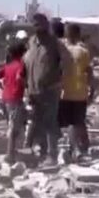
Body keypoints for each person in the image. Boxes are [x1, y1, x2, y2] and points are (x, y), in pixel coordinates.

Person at [23, 13, 66, 166]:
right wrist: (27, 87)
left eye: (40, 24)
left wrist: (59, 83)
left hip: (50, 90)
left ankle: (52, 155)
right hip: (33, 91)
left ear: (46, 24)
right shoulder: (31, 42)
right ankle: (41, 153)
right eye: (34, 24)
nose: (37, 27)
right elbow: (27, 65)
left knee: (50, 123)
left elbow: (67, 64)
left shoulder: (55, 44)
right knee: (37, 123)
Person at [59, 24, 94, 159]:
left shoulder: (62, 51)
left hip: (66, 92)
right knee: (79, 120)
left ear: (67, 35)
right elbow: (89, 72)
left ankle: (76, 149)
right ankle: (84, 145)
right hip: (80, 92)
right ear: (78, 35)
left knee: (70, 123)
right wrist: (92, 91)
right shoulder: (84, 52)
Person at [0, 42, 28, 163]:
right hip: (15, 99)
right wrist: (27, 87)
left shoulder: (8, 66)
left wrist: (2, 87)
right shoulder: (21, 65)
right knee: (14, 127)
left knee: (14, 125)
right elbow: (19, 78)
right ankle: (10, 154)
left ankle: (14, 151)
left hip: (5, 99)